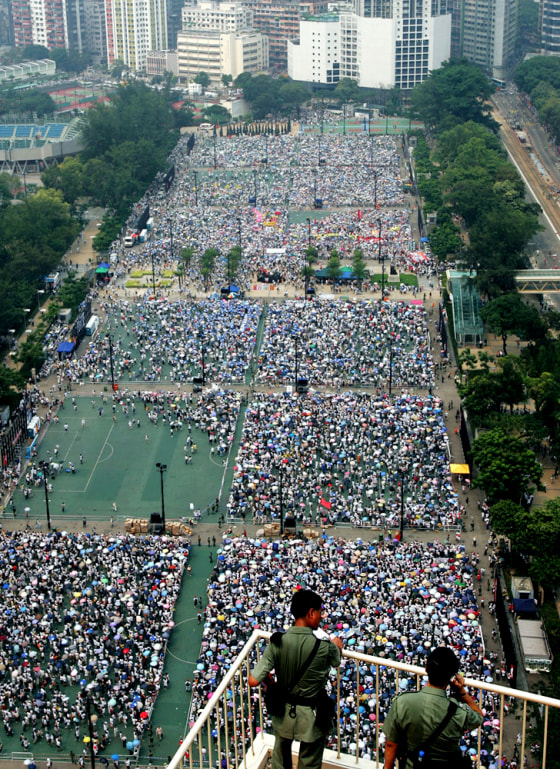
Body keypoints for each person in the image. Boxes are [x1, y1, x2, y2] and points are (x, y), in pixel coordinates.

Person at [248, 589, 343, 769]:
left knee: (280, 759)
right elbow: (336, 661)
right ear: (311, 613)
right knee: (309, 762)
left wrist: (271, 683)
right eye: (320, 613)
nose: (321, 617)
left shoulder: (278, 642)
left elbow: (253, 680)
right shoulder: (324, 646)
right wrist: (337, 646)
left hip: (283, 713)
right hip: (312, 715)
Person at [382, 646, 483, 769]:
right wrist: (461, 691)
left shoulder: (403, 702)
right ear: (451, 677)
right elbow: (478, 717)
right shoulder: (458, 712)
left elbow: (391, 744)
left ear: (426, 669)